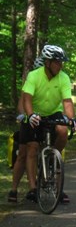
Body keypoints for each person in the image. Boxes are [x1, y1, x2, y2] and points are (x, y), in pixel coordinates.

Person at [20, 44, 76, 203]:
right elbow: (27, 98)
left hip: (53, 111)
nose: (61, 65)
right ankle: (33, 188)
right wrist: (30, 115)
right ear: (47, 62)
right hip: (34, 112)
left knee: (62, 130)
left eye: (61, 63)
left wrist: (72, 119)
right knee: (31, 148)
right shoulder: (34, 75)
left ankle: (53, 157)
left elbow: (67, 101)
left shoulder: (63, 77)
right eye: (57, 62)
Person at [7, 56, 44, 203]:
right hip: (29, 122)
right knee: (23, 153)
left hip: (44, 121)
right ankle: (14, 189)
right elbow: (21, 104)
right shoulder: (31, 81)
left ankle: (40, 187)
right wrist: (24, 115)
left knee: (38, 151)